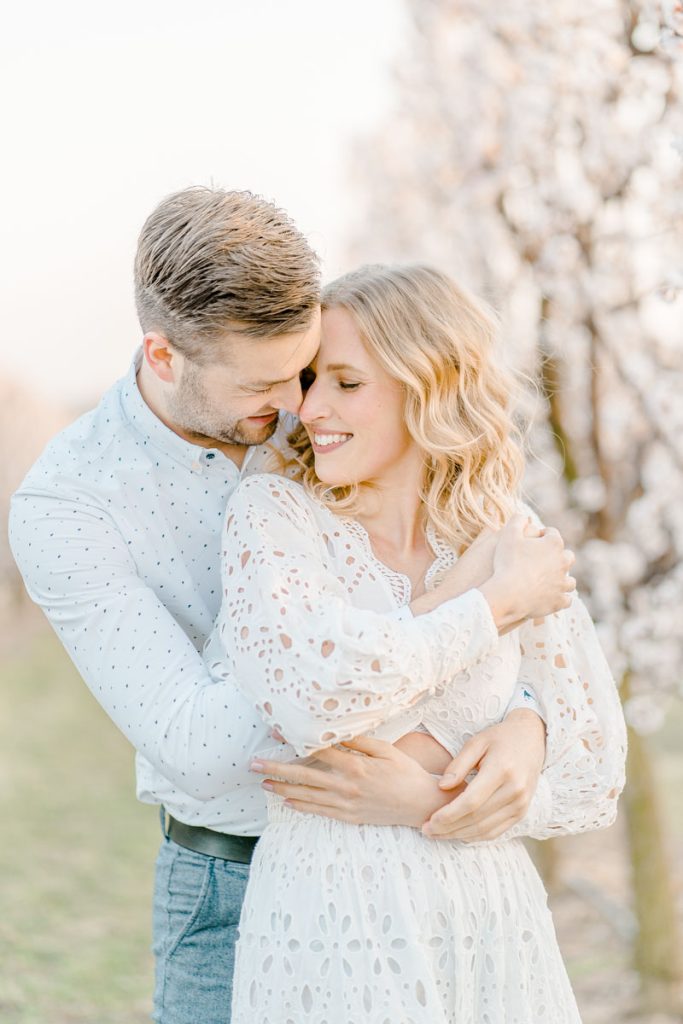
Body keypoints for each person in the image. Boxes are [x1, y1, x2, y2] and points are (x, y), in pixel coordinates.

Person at [9, 188, 575, 1024]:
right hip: (234, 878)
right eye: (267, 385)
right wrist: (467, 609)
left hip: (420, 858)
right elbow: (199, 748)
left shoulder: (328, 405)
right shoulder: (69, 505)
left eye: (306, 371)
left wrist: (524, 719)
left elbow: (451, 547)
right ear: (162, 356)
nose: (297, 412)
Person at [205, 264, 627, 1023]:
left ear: (427, 384)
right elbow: (312, 703)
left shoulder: (505, 529)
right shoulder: (274, 517)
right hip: (330, 922)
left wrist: (507, 740)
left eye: (345, 382)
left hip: (487, 924)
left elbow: (594, 764)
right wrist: (490, 600)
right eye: (308, 379)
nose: (310, 407)